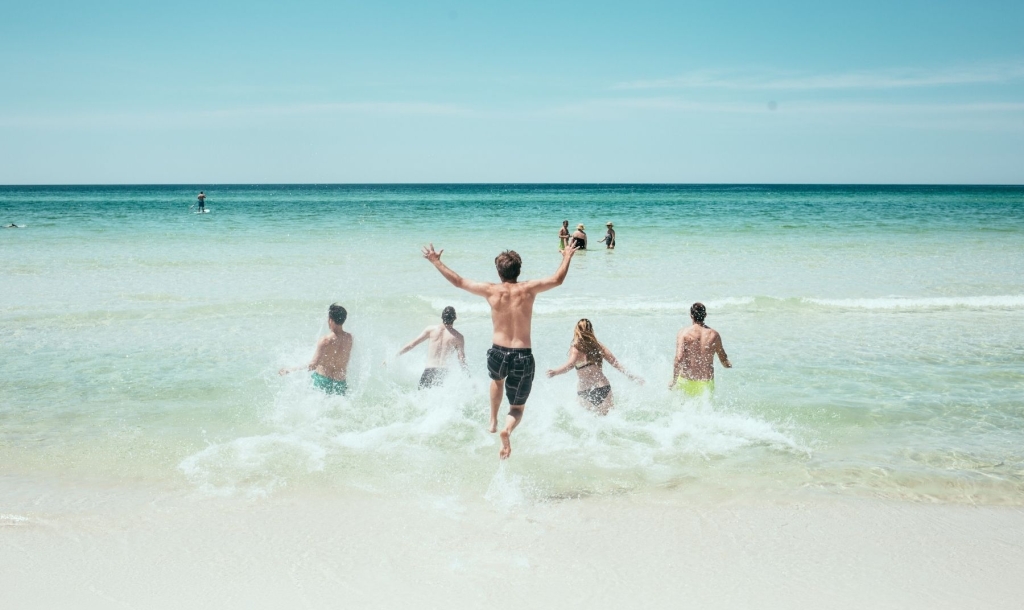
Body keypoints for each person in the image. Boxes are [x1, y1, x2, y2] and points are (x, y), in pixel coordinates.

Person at [422, 241, 579, 459]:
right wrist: (567, 256)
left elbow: (458, 281)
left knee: (497, 381)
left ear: (499, 271)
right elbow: (557, 279)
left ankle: (493, 420)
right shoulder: (528, 289)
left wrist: (436, 261)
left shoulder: (491, 290)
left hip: (497, 352)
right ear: (519, 270)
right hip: (522, 355)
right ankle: (507, 429)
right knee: (517, 408)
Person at [546, 319, 643, 415]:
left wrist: (555, 372)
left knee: (589, 424)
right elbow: (615, 363)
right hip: (603, 387)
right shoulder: (598, 346)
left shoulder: (575, 348)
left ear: (576, 331)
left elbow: (570, 365)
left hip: (585, 391)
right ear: (591, 330)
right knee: (609, 419)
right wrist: (632, 376)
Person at [279, 303, 353, 395]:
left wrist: (290, 370)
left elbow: (313, 365)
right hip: (340, 382)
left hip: (323, 380)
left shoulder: (325, 340)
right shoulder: (349, 338)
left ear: (330, 320)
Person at [394, 306, 469, 389]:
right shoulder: (458, 337)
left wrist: (394, 356)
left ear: (442, 317)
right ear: (455, 318)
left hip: (429, 371)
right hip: (443, 373)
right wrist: (468, 377)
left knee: (421, 398)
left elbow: (412, 344)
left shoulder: (431, 330)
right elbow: (461, 359)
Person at [670, 302, 731, 396]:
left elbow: (679, 358)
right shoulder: (714, 335)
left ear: (691, 316)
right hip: (706, 382)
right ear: (705, 315)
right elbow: (723, 358)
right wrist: (728, 365)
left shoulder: (683, 333)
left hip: (687, 380)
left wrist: (674, 380)